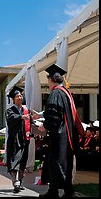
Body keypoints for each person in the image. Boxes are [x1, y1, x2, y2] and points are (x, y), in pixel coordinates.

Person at [32, 64, 85, 198]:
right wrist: (42, 115)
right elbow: (58, 112)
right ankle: (54, 191)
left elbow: (54, 115)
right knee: (61, 163)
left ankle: (67, 192)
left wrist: (44, 126)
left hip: (59, 137)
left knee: (58, 163)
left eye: (47, 80)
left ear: (51, 80)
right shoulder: (66, 93)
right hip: (67, 136)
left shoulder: (55, 93)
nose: (47, 84)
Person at [5, 86, 31, 194]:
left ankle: (20, 182)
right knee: (15, 160)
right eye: (17, 96)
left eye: (21, 95)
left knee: (23, 161)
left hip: (25, 139)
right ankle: (15, 182)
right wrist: (21, 117)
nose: (20, 97)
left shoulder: (26, 110)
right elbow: (11, 119)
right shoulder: (10, 110)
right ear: (13, 99)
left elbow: (30, 123)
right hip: (15, 140)